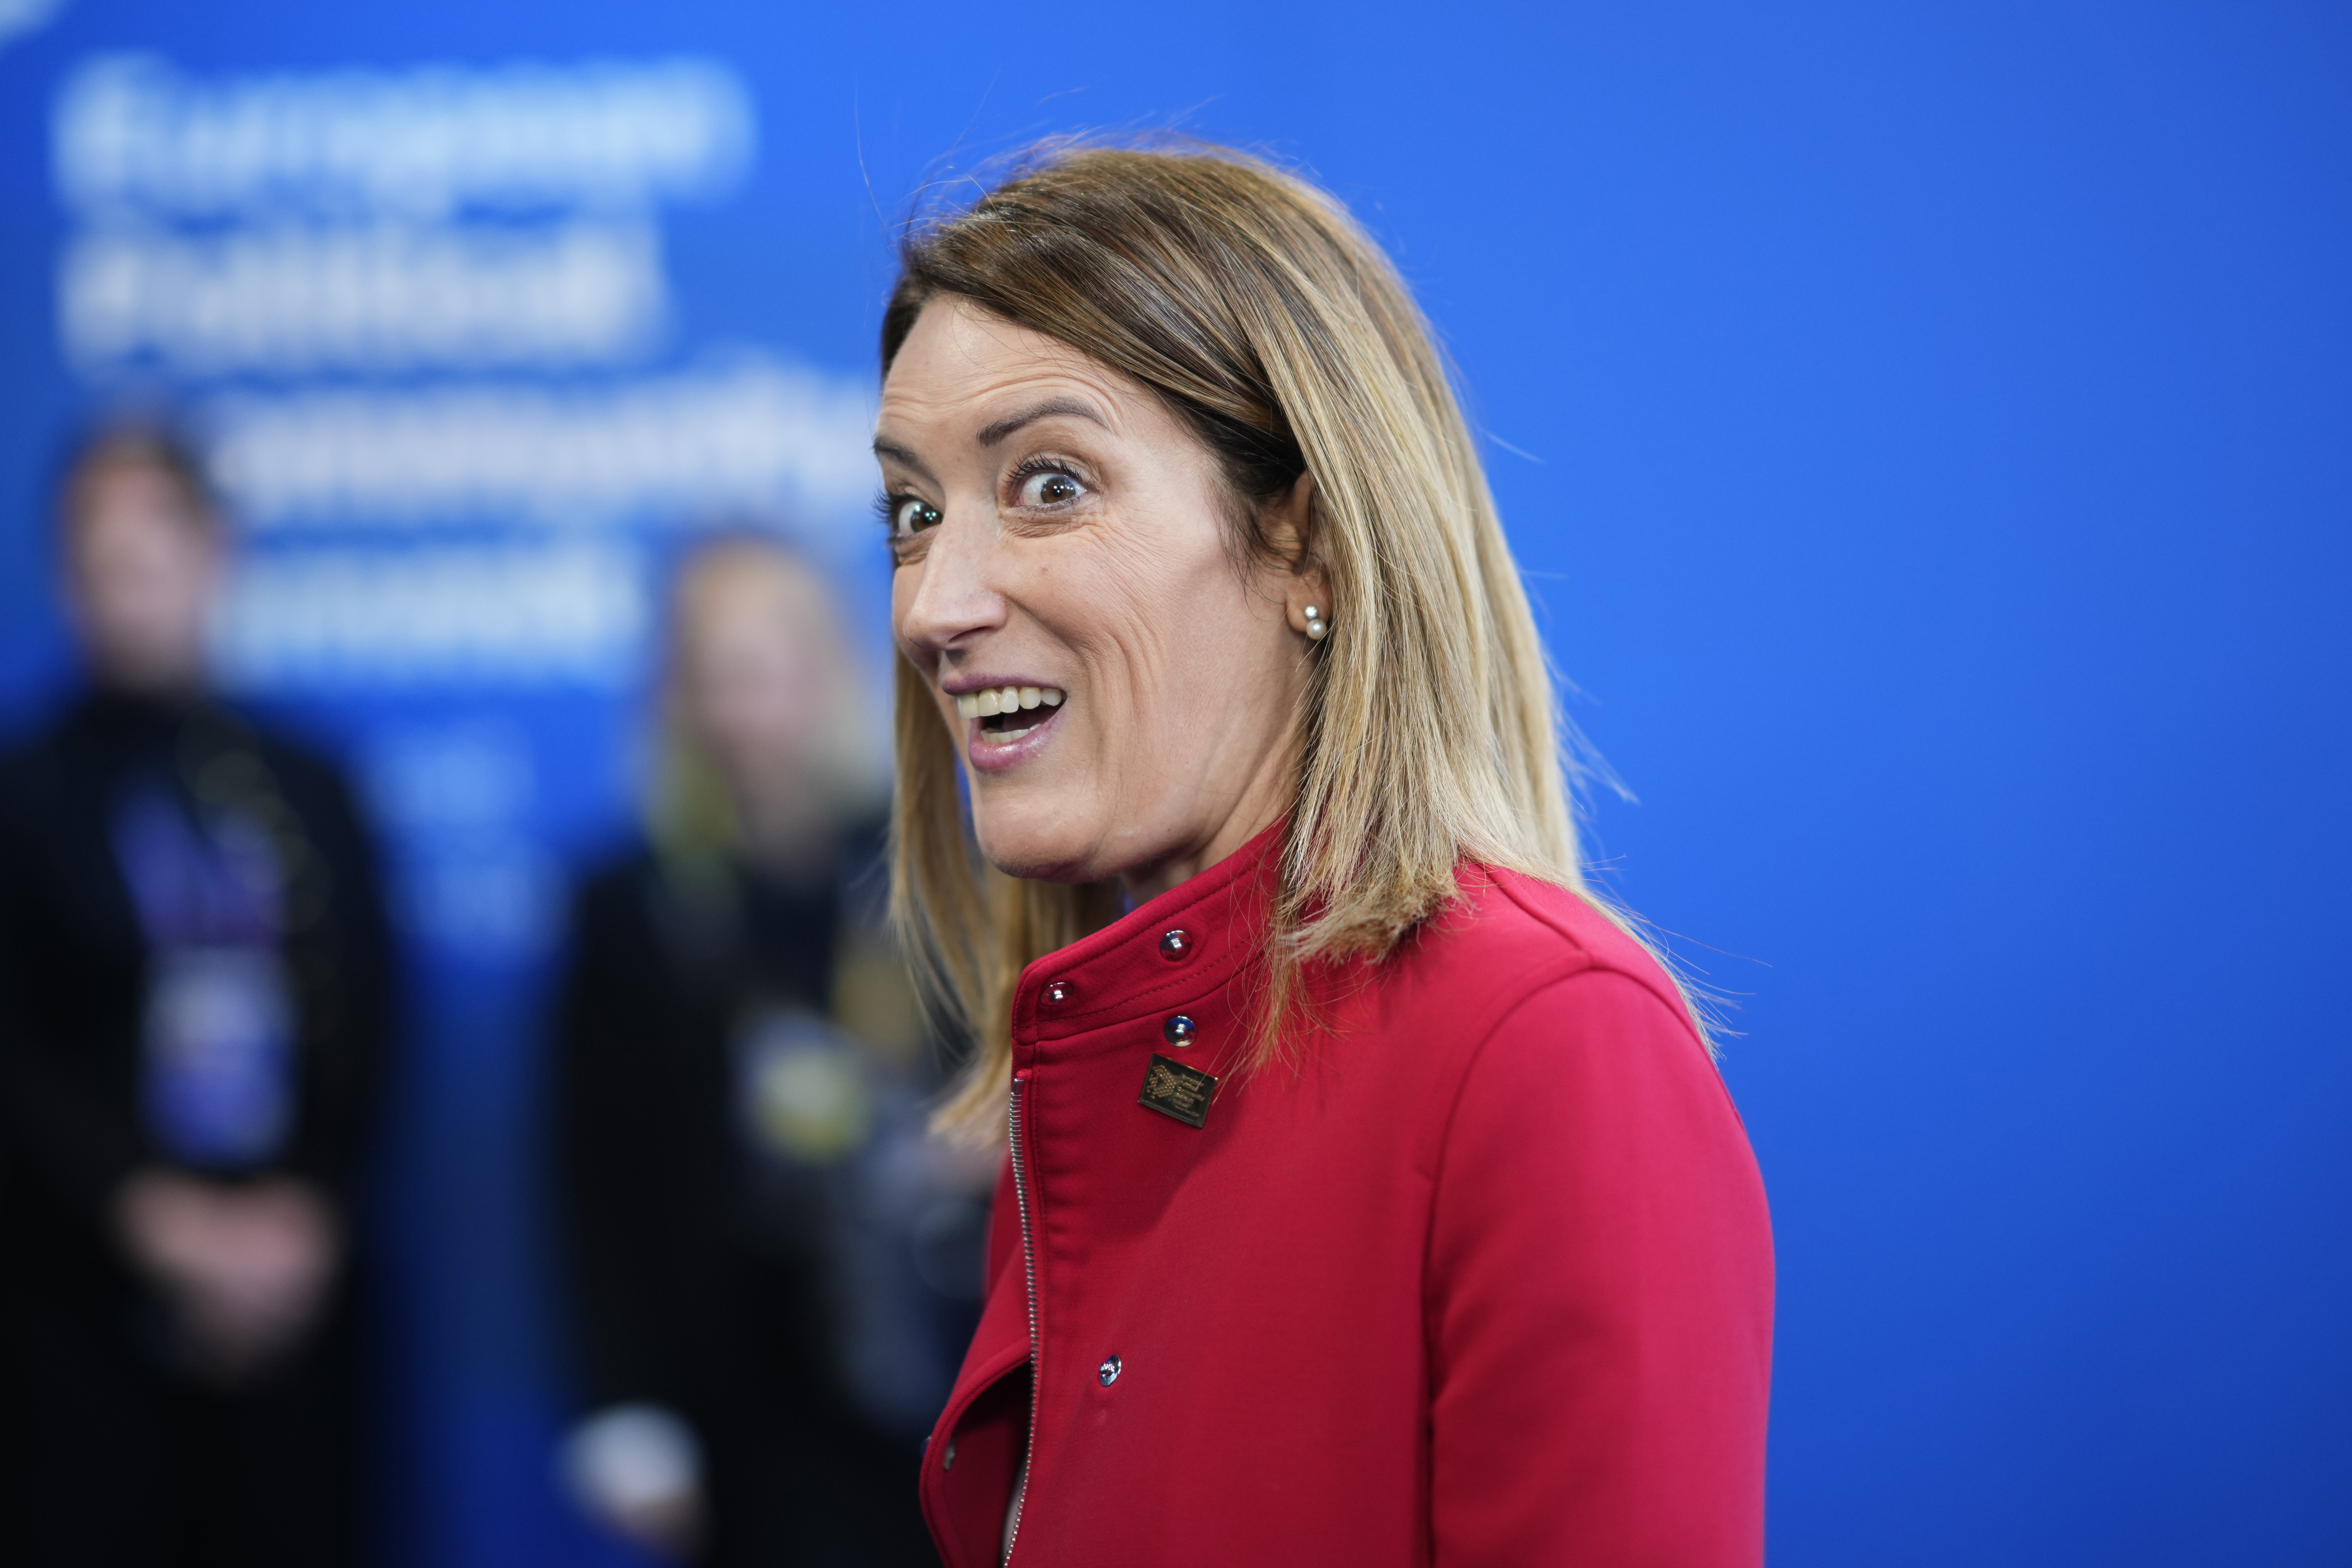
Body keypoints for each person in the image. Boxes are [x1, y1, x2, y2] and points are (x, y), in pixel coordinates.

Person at [874, 144, 1776, 1567]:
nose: (936, 601)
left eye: (1047, 483)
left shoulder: (1548, 1045)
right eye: (911, 513)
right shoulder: (1094, 1075)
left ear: (1310, 543)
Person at [0, 423, 392, 1566]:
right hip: (83, 1314)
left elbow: (369, 1015)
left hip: (294, 1303)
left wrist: (303, 1214)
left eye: (153, 549)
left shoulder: (306, 786)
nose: (130, 587)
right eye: (100, 557)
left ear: (214, 555)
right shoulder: (27, 798)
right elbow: (17, 1060)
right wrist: (160, 1225)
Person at [552, 537, 971, 1567]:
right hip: (733, 1376)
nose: (742, 707)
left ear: (824, 670)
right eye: (712, 672)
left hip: (924, 1350)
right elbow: (598, 1178)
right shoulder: (629, 906)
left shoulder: (934, 866)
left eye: (764, 665)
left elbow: (1010, 1082)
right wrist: (629, 1404)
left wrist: (972, 1136)